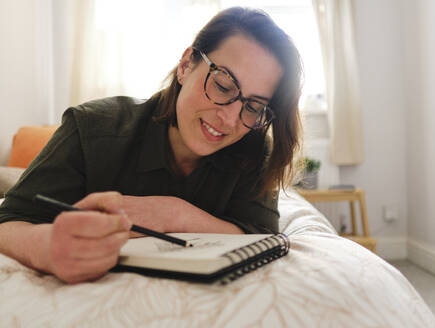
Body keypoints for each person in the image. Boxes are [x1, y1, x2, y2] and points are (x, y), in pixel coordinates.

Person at [0, 7, 302, 284]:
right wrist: (45, 247)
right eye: (222, 85)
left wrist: (176, 215)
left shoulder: (253, 146)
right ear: (185, 65)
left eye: (253, 106)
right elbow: (8, 220)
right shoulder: (91, 128)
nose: (229, 118)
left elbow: (262, 235)